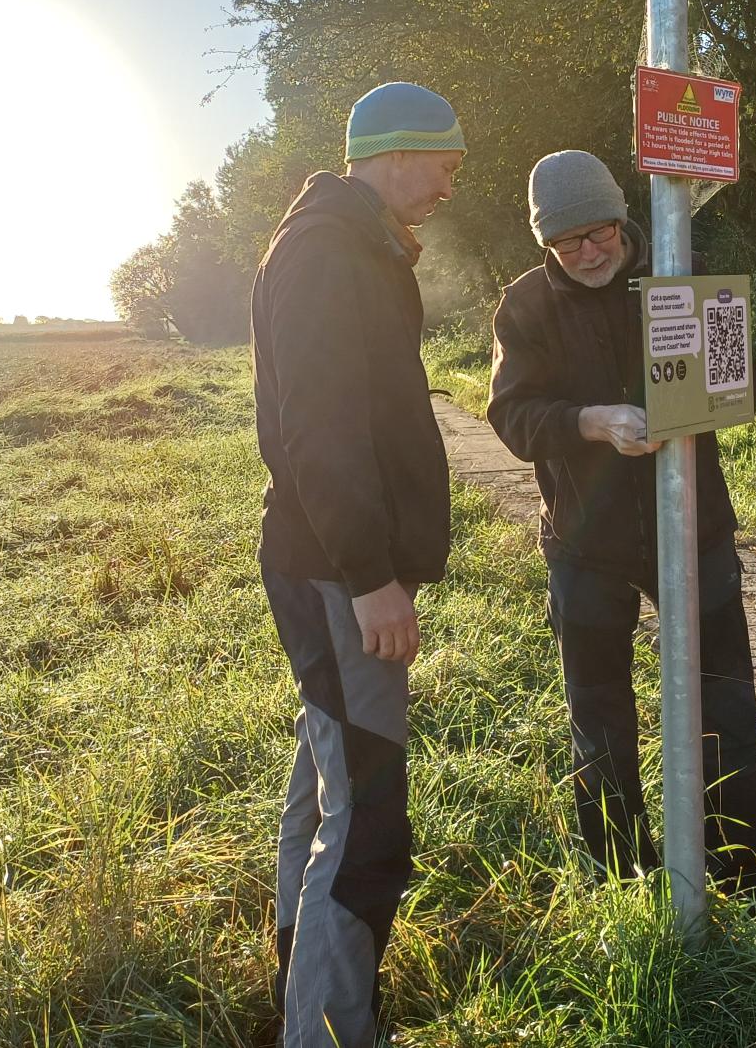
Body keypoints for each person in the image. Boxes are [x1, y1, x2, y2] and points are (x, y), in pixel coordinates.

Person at [486, 149, 756, 891]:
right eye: (567, 241)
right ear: (544, 242)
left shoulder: (680, 274)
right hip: (587, 544)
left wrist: (725, 379)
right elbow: (512, 416)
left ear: (624, 219)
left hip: (696, 528)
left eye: (601, 234)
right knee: (600, 719)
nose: (588, 253)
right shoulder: (524, 306)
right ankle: (620, 876)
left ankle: (743, 870)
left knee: (726, 703)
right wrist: (591, 421)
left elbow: (740, 378)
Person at [250, 81, 465, 1048]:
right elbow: (320, 432)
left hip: (337, 563)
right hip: (340, 572)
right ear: (395, 152)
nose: (451, 185)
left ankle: (300, 973)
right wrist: (374, 577)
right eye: (445, 164)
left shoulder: (353, 243)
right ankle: (331, 1031)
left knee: (328, 768)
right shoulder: (329, 252)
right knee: (371, 818)